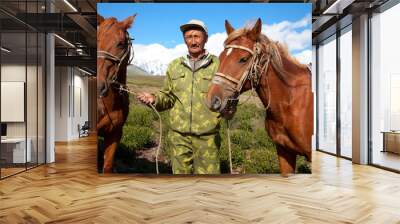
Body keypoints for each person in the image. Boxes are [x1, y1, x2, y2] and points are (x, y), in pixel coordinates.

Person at [137, 19, 221, 174]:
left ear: (206, 39)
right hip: (179, 137)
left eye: (197, 36)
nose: (193, 41)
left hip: (207, 138)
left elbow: (225, 96)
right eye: (189, 37)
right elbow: (167, 96)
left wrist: (229, 107)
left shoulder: (218, 65)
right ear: (184, 40)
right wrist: (154, 99)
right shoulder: (174, 65)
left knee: (210, 184)